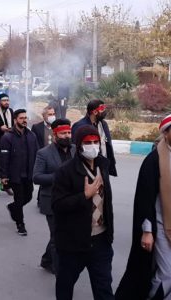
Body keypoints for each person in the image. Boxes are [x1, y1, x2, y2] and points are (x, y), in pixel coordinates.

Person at [52, 125, 114, 300]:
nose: (93, 146)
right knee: (65, 286)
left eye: (96, 142)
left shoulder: (103, 166)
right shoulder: (66, 171)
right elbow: (57, 205)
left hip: (101, 241)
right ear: (78, 145)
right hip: (73, 243)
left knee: (104, 289)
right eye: (88, 143)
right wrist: (84, 196)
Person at [116, 114, 171, 300]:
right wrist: (148, 231)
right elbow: (145, 199)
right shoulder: (154, 160)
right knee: (168, 274)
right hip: (162, 227)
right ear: (166, 133)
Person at [33, 119, 76, 275]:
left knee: (62, 234)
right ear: (55, 134)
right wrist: (58, 176)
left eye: (69, 132)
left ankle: (46, 259)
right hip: (52, 200)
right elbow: (36, 177)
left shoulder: (75, 150)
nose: (67, 136)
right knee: (57, 236)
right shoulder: (43, 153)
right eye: (63, 133)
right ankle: (60, 272)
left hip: (72, 201)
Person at [0, 109, 38, 236]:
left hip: (29, 174)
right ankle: (20, 225)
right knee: (20, 197)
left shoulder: (31, 136)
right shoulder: (7, 137)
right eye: (21, 118)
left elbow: (37, 154)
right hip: (15, 175)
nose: (24, 120)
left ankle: (12, 207)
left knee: (28, 196)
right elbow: (4, 158)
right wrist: (4, 176)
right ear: (15, 120)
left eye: (26, 118)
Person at [72, 99, 117, 177]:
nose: (104, 111)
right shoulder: (80, 126)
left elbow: (107, 144)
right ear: (95, 112)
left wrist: (110, 163)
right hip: (87, 167)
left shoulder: (103, 124)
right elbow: (75, 148)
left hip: (103, 166)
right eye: (102, 109)